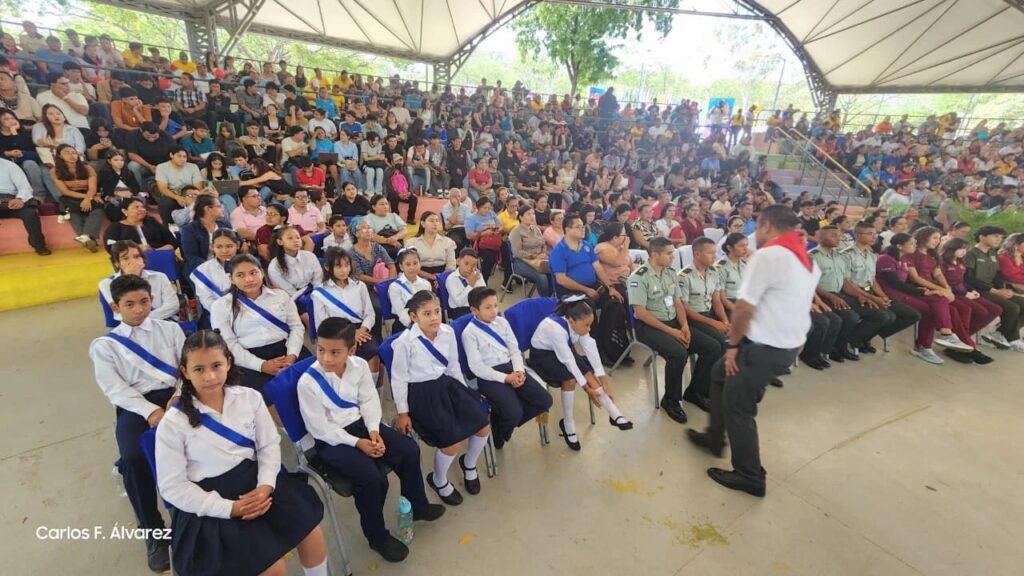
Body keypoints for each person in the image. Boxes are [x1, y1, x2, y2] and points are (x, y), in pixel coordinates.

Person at [155, 330, 328, 576]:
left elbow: (268, 445)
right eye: (199, 369)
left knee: (311, 532)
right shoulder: (173, 423)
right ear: (185, 372)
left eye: (216, 365)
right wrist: (230, 508)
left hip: (256, 482)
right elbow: (172, 487)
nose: (210, 376)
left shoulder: (249, 398)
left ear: (228, 362)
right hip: (209, 501)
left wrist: (266, 485)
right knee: (272, 568)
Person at [686, 205, 820, 498]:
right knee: (718, 375)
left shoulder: (769, 256)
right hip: (784, 342)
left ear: (767, 226)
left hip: (763, 346)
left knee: (739, 408)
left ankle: (750, 475)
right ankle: (713, 436)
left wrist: (734, 346)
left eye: (757, 227)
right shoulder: (806, 258)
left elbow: (744, 307)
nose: (753, 235)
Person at [298, 318, 445, 562]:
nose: (325, 358)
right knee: (372, 479)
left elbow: (368, 400)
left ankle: (417, 505)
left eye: (335, 352)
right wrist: (358, 443)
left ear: (351, 350)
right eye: (321, 350)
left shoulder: (358, 366)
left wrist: (374, 430)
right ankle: (377, 538)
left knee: (408, 450)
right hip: (332, 440)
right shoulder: (308, 383)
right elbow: (320, 428)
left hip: (362, 425)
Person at [89, 275, 181, 573]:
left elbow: (187, 367)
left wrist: (179, 395)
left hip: (177, 397)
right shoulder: (105, 346)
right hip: (137, 406)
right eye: (130, 304)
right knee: (132, 458)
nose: (139, 309)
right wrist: (150, 412)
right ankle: (153, 530)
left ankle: (197, 517)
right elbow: (115, 389)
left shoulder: (170, 329)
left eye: (144, 302)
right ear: (116, 307)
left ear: (151, 300)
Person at [390, 291, 492, 505]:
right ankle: (439, 480)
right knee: (451, 443)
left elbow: (453, 367)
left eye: (437, 311)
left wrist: (466, 393)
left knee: (483, 425)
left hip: (448, 385)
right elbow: (398, 379)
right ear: (414, 317)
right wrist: (403, 413)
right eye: (427, 313)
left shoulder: (447, 332)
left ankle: (469, 464)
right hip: (421, 394)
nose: (434, 317)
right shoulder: (404, 343)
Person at [628, 237, 723, 424]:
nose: (673, 256)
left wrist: (684, 326)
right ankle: (670, 399)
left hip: (673, 322)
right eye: (669, 253)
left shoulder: (671, 273)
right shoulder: (638, 277)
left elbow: (678, 302)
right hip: (649, 327)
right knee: (678, 354)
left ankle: (696, 391)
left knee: (713, 347)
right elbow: (641, 313)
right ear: (655, 255)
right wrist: (672, 332)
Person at [529, 295, 632, 451]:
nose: (589, 329)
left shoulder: (578, 325)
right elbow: (569, 361)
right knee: (571, 378)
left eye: (590, 324)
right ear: (571, 321)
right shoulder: (554, 329)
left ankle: (613, 412)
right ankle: (568, 423)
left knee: (586, 368)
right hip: (542, 358)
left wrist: (605, 382)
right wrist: (586, 389)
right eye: (586, 325)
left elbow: (591, 350)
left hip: (564, 352)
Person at [210, 254, 309, 406]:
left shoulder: (280, 295)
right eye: (240, 275)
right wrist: (262, 365)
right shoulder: (221, 306)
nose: (249, 279)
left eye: (253, 272)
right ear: (231, 278)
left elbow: (296, 327)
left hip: (288, 350)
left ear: (262, 273)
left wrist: (291, 356)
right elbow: (228, 345)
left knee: (313, 387)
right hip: (249, 359)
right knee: (270, 403)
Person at [464, 287, 553, 448]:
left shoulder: (502, 322)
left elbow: (514, 350)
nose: (494, 311)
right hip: (490, 376)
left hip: (512, 368)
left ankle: (501, 421)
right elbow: (477, 368)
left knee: (544, 400)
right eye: (488, 307)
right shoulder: (469, 333)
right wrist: (506, 378)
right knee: (514, 412)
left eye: (495, 305)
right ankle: (500, 432)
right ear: (474, 310)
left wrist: (519, 371)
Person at [877, 233, 971, 364]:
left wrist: (929, 290)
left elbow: (906, 282)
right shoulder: (886, 259)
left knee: (939, 298)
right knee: (929, 309)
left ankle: (946, 333)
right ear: (899, 246)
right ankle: (924, 346)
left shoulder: (904, 259)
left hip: (906, 291)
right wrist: (921, 292)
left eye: (915, 243)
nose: (915, 246)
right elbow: (895, 283)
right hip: (890, 293)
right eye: (911, 243)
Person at [839, 221, 921, 353]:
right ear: (858, 235)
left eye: (875, 234)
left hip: (870, 292)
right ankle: (855, 340)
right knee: (885, 316)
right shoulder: (846, 254)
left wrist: (883, 297)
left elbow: (873, 281)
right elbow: (847, 284)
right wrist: (874, 298)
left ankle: (864, 337)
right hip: (853, 294)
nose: (874, 237)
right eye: (869, 234)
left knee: (912, 315)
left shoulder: (871, 255)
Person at [313, 247, 382, 365]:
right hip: (335, 333)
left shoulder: (359, 286)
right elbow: (321, 324)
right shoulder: (320, 293)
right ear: (328, 267)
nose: (344, 270)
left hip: (360, 330)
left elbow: (369, 314)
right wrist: (350, 334)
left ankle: (371, 378)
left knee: (374, 353)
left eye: (347, 265)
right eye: (338, 266)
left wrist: (361, 330)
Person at [940, 238, 1000, 364]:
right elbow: (943, 283)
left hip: (964, 292)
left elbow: (963, 281)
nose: (964, 251)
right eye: (961, 248)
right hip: (952, 294)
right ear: (951, 248)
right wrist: (965, 294)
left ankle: (960, 342)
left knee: (995, 309)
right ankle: (969, 347)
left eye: (965, 249)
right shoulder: (942, 262)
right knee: (974, 310)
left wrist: (972, 290)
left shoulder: (960, 262)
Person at [809, 226, 864, 364]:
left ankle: (838, 346)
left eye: (839, 235)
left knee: (855, 316)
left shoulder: (839, 256)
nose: (838, 238)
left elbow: (846, 282)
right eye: (834, 235)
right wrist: (831, 297)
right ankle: (814, 353)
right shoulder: (813, 256)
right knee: (836, 320)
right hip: (820, 295)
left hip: (838, 294)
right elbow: (810, 284)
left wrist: (860, 295)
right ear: (821, 238)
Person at [966, 225, 1024, 351]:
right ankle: (1012, 339)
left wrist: (1003, 290)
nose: (999, 240)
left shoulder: (993, 254)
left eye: (1001, 237)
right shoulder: (971, 253)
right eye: (995, 236)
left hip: (993, 290)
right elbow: (969, 279)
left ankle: (1000, 333)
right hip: (977, 290)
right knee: (1012, 307)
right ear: (982, 237)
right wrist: (996, 291)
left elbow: (997, 276)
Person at [678, 238, 731, 366]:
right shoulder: (684, 276)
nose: (715, 256)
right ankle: (705, 379)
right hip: (693, 318)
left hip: (709, 313)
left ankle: (716, 376)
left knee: (730, 337)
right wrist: (715, 323)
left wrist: (725, 321)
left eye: (715, 252)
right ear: (697, 254)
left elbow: (717, 301)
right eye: (710, 253)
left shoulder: (714, 272)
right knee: (718, 344)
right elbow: (685, 309)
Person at [99, 240, 179, 322]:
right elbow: (121, 312)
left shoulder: (159, 277)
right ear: (117, 263)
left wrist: (143, 319)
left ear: (142, 259)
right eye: (125, 258)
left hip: (163, 321)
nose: (133, 261)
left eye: (136, 256)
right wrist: (131, 278)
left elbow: (173, 305)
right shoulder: (107, 284)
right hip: (131, 326)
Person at [49, 143, 102, 251]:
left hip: (88, 194)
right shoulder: (55, 171)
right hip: (70, 196)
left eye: (73, 153)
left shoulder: (87, 168)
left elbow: (92, 187)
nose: (71, 155)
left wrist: (88, 198)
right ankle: (89, 240)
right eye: (67, 153)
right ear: (60, 156)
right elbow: (64, 191)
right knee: (74, 211)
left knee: (99, 207)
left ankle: (85, 236)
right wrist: (86, 198)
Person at [0, 156, 49, 254]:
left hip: (11, 200)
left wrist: (19, 199)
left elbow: (25, 187)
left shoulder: (10, 166)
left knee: (29, 212)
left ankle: (39, 245)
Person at [266, 225, 322, 310]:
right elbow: (289, 292)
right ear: (280, 242)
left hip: (315, 292)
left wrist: (317, 295)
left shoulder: (310, 256)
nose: (296, 240)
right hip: (294, 299)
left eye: (298, 237)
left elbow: (318, 280)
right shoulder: (275, 266)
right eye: (290, 238)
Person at [190, 228, 239, 320]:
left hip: (248, 312)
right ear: (212, 247)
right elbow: (206, 299)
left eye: (229, 246)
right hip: (219, 314)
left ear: (237, 245)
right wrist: (225, 313)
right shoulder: (203, 270)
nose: (224, 251)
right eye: (219, 247)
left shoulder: (248, 265)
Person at [102, 196, 177, 251]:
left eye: (142, 207)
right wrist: (136, 248)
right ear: (125, 211)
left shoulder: (152, 222)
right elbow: (110, 247)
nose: (141, 209)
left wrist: (156, 251)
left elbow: (172, 241)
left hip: (158, 257)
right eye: (136, 207)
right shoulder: (116, 227)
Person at [508, 204, 552, 297]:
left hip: (539, 259)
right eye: (528, 214)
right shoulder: (516, 231)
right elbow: (517, 252)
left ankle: (551, 299)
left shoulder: (535, 229)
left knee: (553, 273)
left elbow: (543, 243)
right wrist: (535, 256)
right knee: (542, 277)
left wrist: (543, 253)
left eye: (533, 214)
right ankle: (545, 301)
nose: (532, 216)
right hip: (520, 261)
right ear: (521, 217)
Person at [388, 248, 433, 332]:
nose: (412, 267)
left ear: (420, 264)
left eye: (415, 263)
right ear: (401, 267)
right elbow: (401, 313)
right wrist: (418, 326)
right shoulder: (395, 287)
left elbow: (430, 306)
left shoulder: (426, 284)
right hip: (405, 325)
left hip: (426, 322)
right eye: (408, 264)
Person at [405, 211, 456, 279]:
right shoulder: (411, 243)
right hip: (419, 275)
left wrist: (442, 278)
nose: (435, 224)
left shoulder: (447, 241)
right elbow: (410, 265)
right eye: (431, 221)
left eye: (437, 221)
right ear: (423, 223)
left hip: (443, 275)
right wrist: (430, 276)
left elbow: (451, 265)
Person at [464, 196, 503, 280]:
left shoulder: (491, 214)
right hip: (481, 244)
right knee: (490, 259)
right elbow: (468, 235)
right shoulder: (471, 219)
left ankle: (508, 279)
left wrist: (497, 229)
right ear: (478, 207)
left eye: (489, 208)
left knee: (508, 252)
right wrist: (482, 234)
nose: (487, 210)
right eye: (485, 208)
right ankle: (483, 280)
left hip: (495, 240)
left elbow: (500, 225)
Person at [443, 248, 487, 319]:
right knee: (475, 320)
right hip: (460, 310)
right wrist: (471, 284)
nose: (469, 268)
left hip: (477, 307)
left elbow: (484, 294)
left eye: (473, 265)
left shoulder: (477, 275)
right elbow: (459, 303)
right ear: (458, 261)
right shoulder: (451, 279)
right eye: (466, 264)